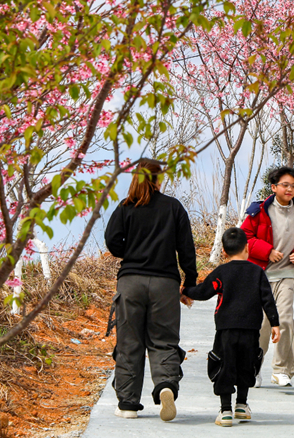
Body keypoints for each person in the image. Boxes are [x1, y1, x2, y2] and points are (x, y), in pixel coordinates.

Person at [105, 158, 197, 421]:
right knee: (163, 340)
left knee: (129, 343)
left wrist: (131, 251)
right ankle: (166, 385)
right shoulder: (173, 207)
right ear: (157, 179)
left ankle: (127, 404)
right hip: (165, 284)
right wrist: (188, 283)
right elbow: (186, 249)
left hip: (131, 281)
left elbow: (112, 242)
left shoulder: (125, 208)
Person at [183, 227, 280, 426]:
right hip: (251, 328)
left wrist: (185, 291)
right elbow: (268, 299)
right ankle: (242, 405)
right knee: (247, 364)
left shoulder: (222, 272)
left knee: (224, 365)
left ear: (224, 252)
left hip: (226, 328)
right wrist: (275, 324)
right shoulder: (257, 272)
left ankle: (225, 410)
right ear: (247, 248)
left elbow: (204, 291)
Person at [241, 166, 294, 387]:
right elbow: (245, 236)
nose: (290, 189)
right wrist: (267, 252)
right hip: (261, 276)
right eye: (285, 185)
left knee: (283, 318)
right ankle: (253, 369)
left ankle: (281, 369)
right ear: (274, 187)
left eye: (293, 185)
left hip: (287, 275)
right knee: (262, 324)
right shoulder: (259, 211)